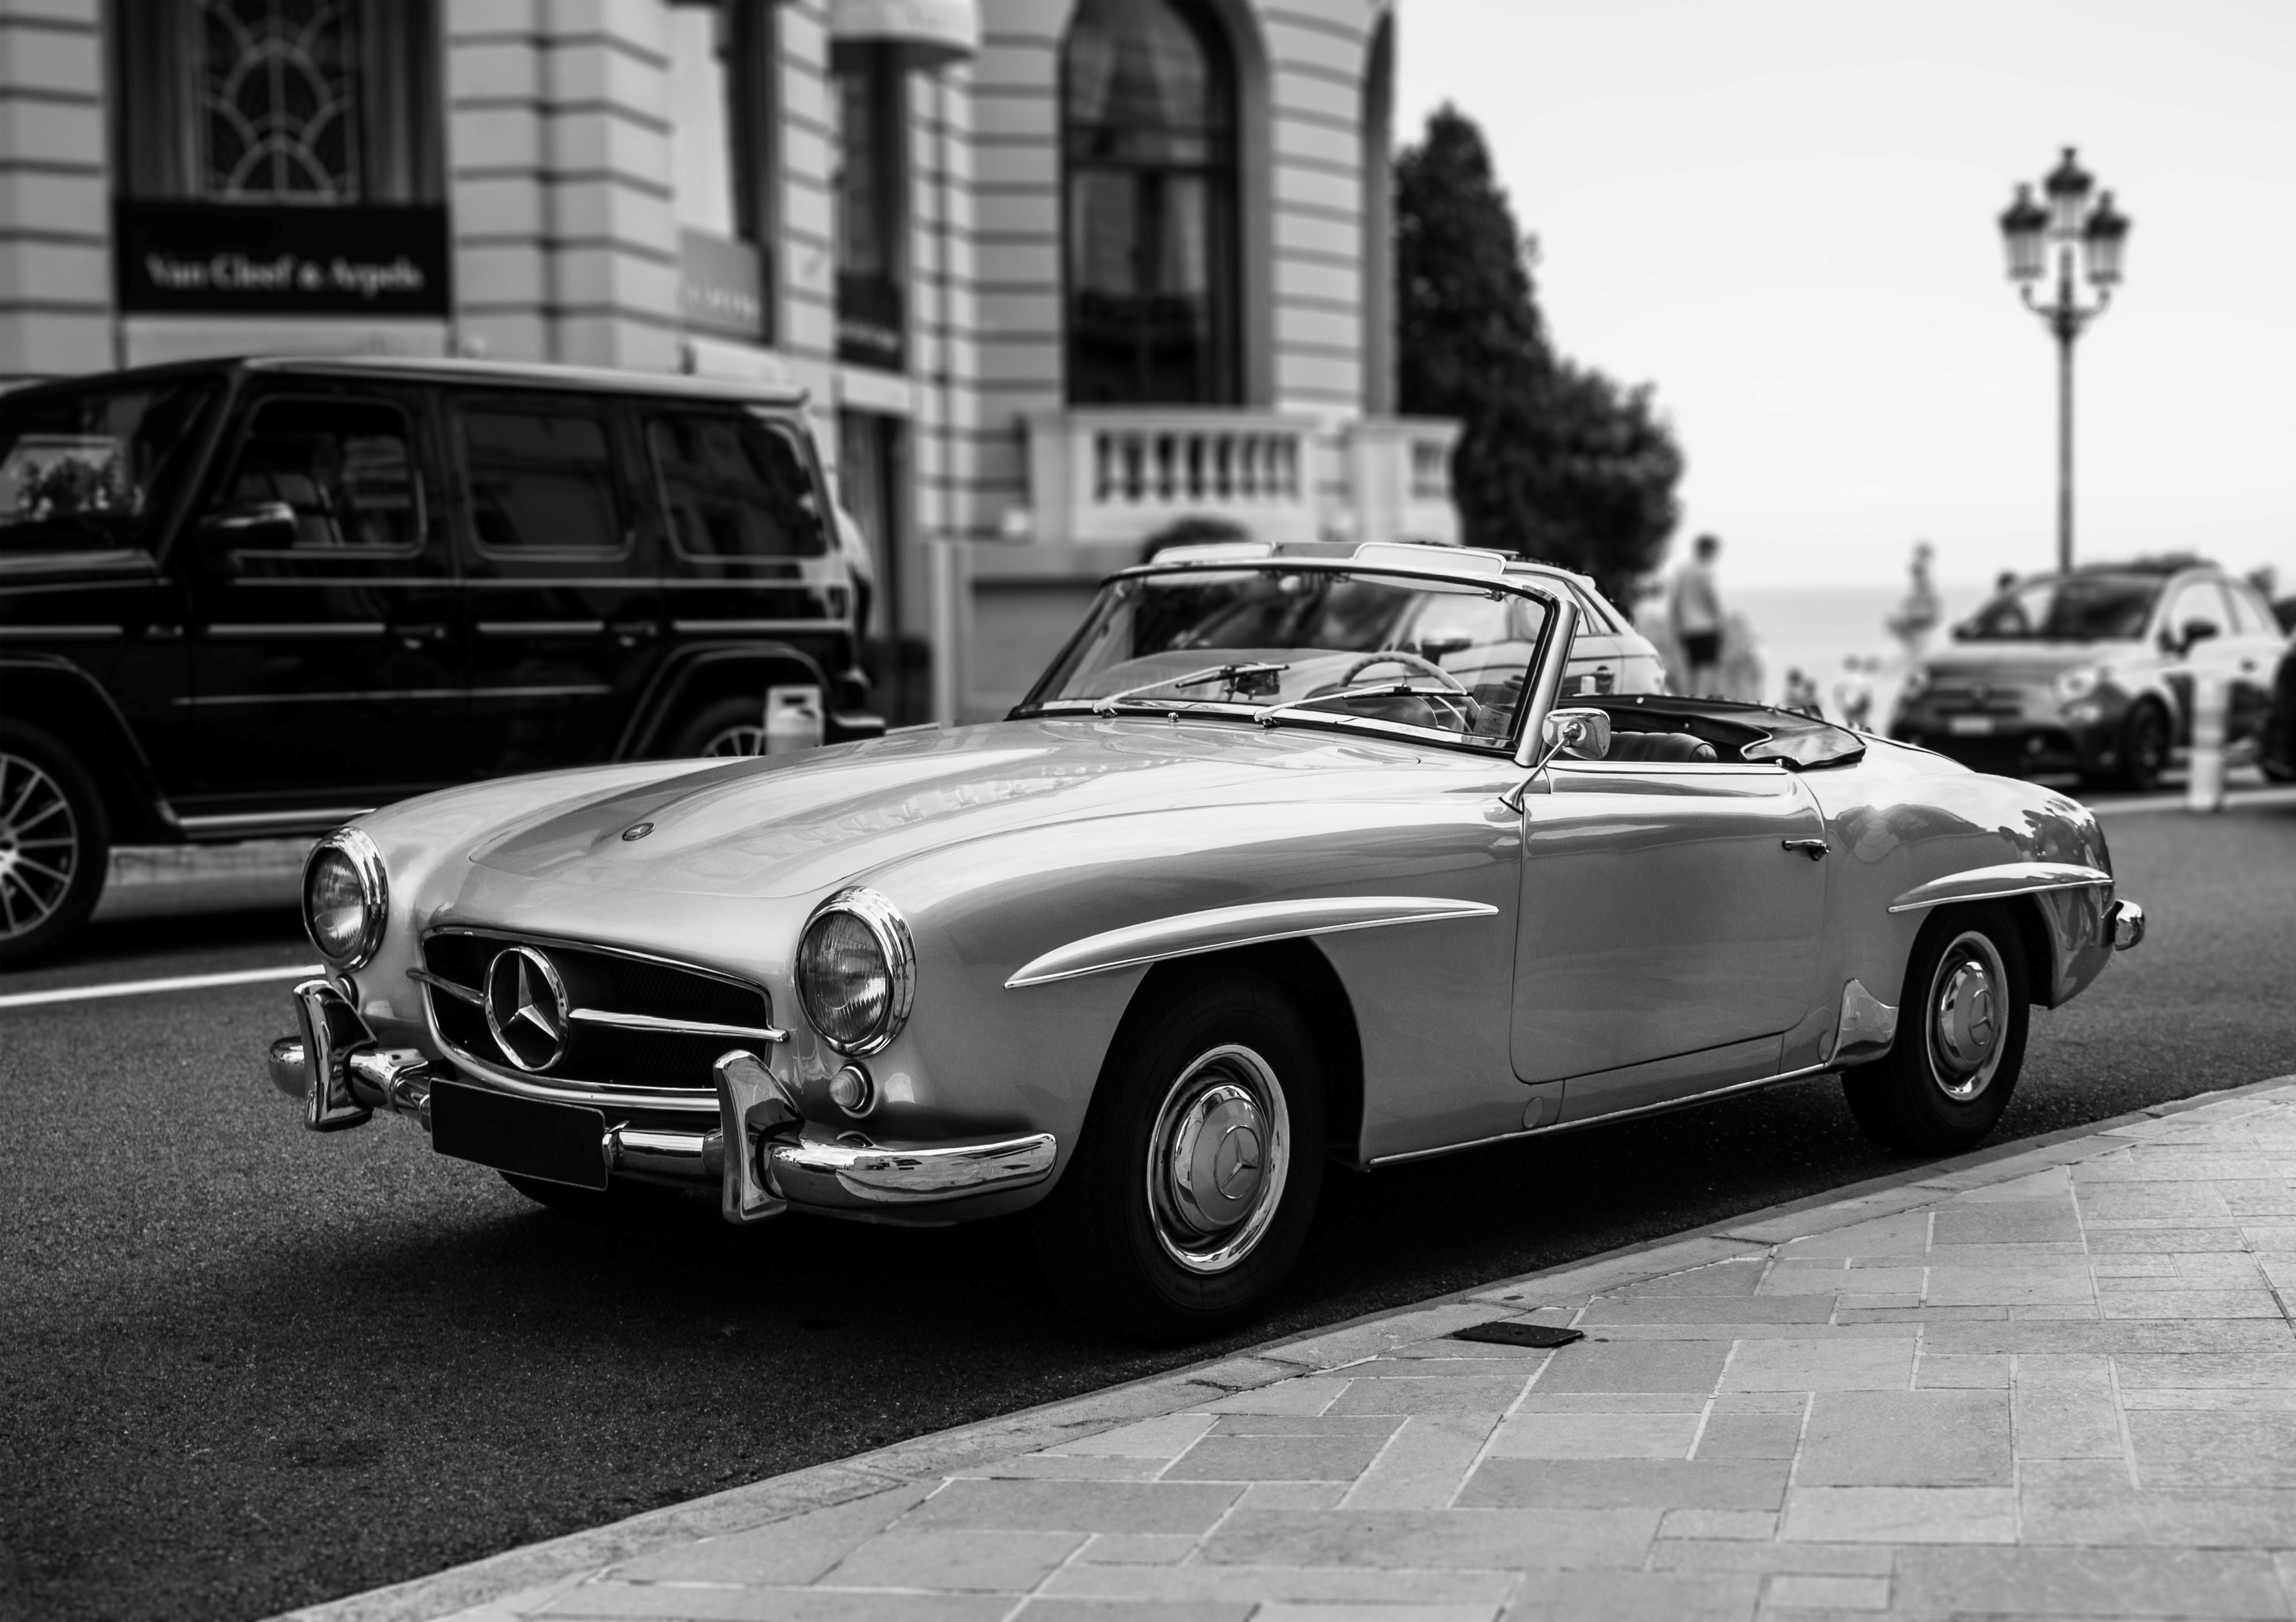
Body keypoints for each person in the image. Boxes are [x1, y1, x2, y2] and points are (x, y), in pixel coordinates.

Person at [1668, 533, 1725, 696]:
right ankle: (1702, 704)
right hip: (1707, 627)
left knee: (1692, 670)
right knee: (1706, 670)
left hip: (1687, 628)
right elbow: (1712, 599)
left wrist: (1675, 626)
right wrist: (1722, 624)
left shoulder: (1683, 572)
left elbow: (1675, 602)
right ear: (1708, 550)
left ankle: (1692, 701)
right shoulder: (1706, 572)